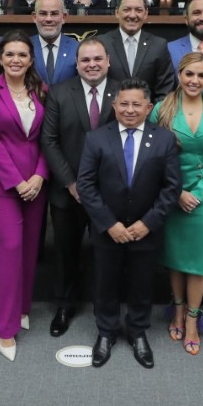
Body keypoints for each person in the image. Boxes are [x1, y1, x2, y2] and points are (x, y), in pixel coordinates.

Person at [77, 79, 181, 368]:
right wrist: (109, 223)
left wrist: (148, 223)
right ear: (114, 105)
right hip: (107, 230)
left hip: (145, 231)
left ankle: (137, 332)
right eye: (124, 103)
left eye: (137, 104)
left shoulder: (164, 139)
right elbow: (86, 185)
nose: (130, 109)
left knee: (141, 284)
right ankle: (106, 332)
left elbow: (171, 188)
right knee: (105, 282)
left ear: (149, 107)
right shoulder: (96, 138)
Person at [0, 31, 48, 362]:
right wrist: (17, 182)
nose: (16, 59)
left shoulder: (41, 90)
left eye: (22, 54)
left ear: (31, 59)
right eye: (9, 54)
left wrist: (39, 176)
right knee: (10, 248)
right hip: (3, 185)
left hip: (36, 183)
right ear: (0, 58)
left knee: (31, 248)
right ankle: (5, 328)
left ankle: (21, 309)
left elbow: (49, 137)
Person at [152, 53, 203, 355]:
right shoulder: (162, 108)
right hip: (171, 193)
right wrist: (178, 192)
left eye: (201, 76)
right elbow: (153, 152)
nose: (194, 81)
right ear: (179, 74)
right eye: (189, 74)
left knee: (198, 262)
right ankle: (176, 308)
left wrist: (198, 192)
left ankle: (191, 319)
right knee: (175, 258)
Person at [40, 37, 119, 337]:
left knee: (106, 253)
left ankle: (105, 306)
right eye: (85, 60)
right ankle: (64, 306)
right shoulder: (60, 93)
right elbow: (49, 141)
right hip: (68, 192)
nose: (92, 64)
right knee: (65, 252)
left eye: (98, 59)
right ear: (76, 63)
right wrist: (71, 183)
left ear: (108, 61)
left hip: (110, 193)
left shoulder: (123, 91)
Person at [98, 0, 176, 102]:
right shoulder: (101, 44)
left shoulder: (159, 46)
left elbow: (164, 91)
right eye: (127, 10)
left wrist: (150, 117)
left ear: (146, 13)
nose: (132, 15)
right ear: (117, 13)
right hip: (109, 117)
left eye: (138, 10)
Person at [31, 0, 78, 86]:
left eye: (54, 14)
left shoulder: (77, 48)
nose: (48, 19)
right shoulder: (25, 47)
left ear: (64, 17)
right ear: (34, 17)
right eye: (43, 13)